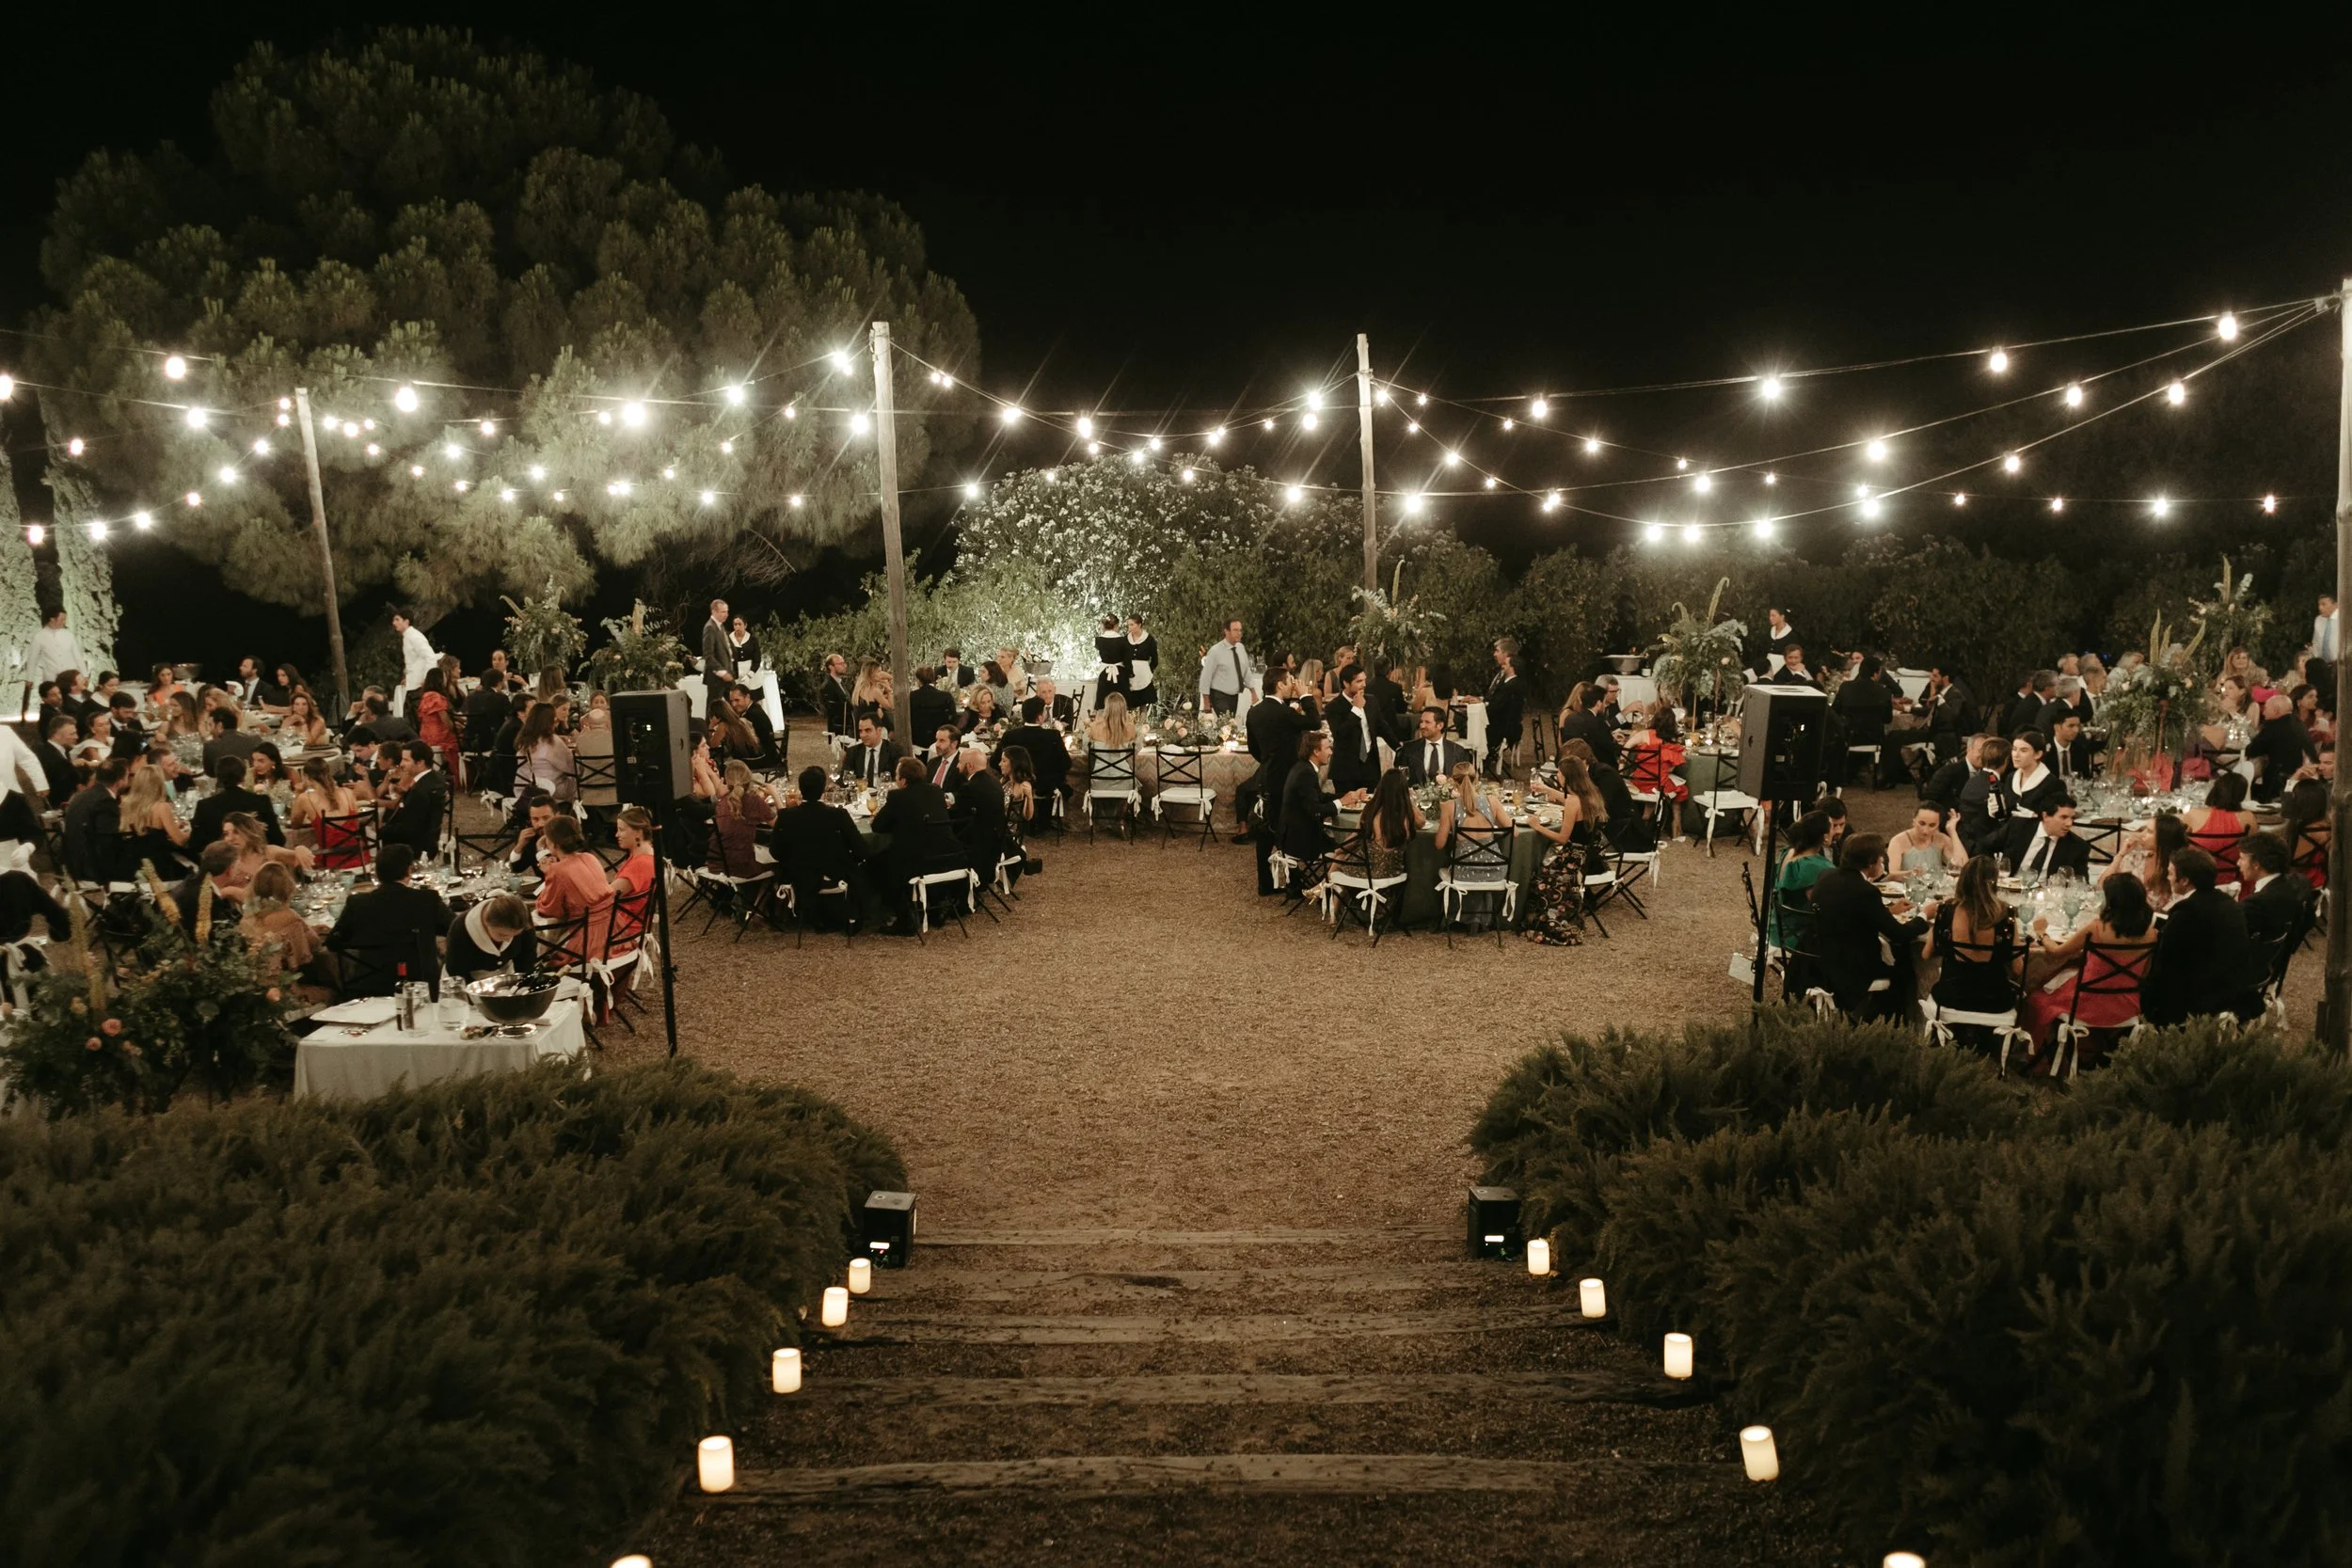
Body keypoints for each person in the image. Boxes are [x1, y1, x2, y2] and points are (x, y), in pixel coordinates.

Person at [2020, 872, 2161, 1060]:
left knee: (2036, 997)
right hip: (2127, 1006)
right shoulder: (2153, 934)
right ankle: (2089, 1048)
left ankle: (2040, 1055)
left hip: (2087, 1004)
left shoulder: (2097, 929)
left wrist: (2041, 934)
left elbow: (2056, 953)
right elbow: (2144, 974)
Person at [1810, 833, 1932, 1018]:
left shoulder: (1827, 876)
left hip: (1820, 956)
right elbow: (1899, 933)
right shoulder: (1866, 891)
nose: (1882, 862)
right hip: (1851, 967)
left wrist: (1887, 913)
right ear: (1870, 863)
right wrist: (1925, 915)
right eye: (1880, 858)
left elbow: (1848, 911)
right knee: (1905, 967)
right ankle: (1890, 1023)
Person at [2142, 847, 2256, 1025]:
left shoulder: (2187, 910)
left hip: (2203, 994)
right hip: (2233, 985)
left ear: (2185, 880)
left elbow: (2165, 959)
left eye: (2171, 873)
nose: (2168, 877)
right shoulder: (2226, 900)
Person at [326, 842, 451, 996]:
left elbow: (333, 943)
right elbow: (454, 928)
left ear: (376, 873)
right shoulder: (427, 900)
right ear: (409, 870)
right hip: (420, 987)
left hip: (367, 989)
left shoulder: (358, 904)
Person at [1923, 854, 2022, 1024]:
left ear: (1962, 880)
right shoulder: (2006, 915)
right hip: (1995, 999)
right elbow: (2018, 969)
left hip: (1952, 995)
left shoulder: (1946, 911)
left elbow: (1926, 955)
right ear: (1995, 882)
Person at [1521, 753, 1608, 945]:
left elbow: (1562, 838)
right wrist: (1547, 789)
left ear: (1567, 777)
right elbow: (1569, 799)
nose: (1558, 776)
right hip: (1585, 857)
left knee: (1538, 873)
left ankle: (1546, 923)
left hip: (1570, 859)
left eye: (1559, 773)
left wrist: (1537, 826)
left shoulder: (1572, 803)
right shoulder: (1591, 794)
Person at [769, 766, 871, 929]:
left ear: (800, 790)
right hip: (835, 873)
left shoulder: (787, 816)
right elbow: (862, 849)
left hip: (799, 874)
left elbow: (775, 851)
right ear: (823, 789)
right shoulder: (838, 815)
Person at [872, 755, 962, 935]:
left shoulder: (897, 796)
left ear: (903, 781)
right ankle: (935, 909)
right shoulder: (936, 791)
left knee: (876, 863)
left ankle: (904, 918)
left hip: (918, 862)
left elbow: (878, 826)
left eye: (897, 777)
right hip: (947, 857)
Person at [534, 815, 616, 958]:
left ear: (554, 844)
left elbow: (548, 910)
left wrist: (548, 873)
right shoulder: (589, 857)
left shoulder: (557, 870)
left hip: (587, 941)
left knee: (532, 929)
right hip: (613, 931)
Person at [1237, 678, 1307, 844]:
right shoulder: (1286, 712)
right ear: (1280, 685)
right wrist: (1305, 696)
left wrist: (1266, 760)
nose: (1293, 683)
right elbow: (1314, 722)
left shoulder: (1255, 711)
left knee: (1270, 818)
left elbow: (1252, 747)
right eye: (1290, 680)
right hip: (1286, 773)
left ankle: (1268, 844)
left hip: (1268, 771)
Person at [1278, 731, 1338, 898]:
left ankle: (1324, 885)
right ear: (1316, 751)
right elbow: (1316, 810)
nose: (1331, 752)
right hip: (1300, 841)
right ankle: (1325, 888)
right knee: (1345, 850)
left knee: (1343, 845)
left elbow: (1317, 797)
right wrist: (1341, 803)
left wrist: (1347, 796)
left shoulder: (1303, 768)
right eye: (1327, 748)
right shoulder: (1305, 773)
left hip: (1293, 834)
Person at [1994, 730, 2067, 864]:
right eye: (2014, 749)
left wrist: (2035, 816)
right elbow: (2008, 815)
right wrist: (1997, 810)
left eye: (2024, 750)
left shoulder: (2052, 784)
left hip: (2034, 847)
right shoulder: (2010, 778)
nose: (2016, 755)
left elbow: (2059, 818)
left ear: (2038, 754)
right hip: (2008, 843)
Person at [1767, 810, 1836, 952]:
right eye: (1832, 827)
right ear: (1825, 836)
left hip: (1777, 925)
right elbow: (1821, 907)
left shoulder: (1788, 852)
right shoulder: (1814, 865)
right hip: (1796, 936)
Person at [2237, 832, 2315, 953]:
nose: (2238, 863)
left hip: (2252, 965)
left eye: (2242, 858)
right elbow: (2310, 920)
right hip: (2276, 958)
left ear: (2256, 865)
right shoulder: (2300, 882)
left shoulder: (2253, 905)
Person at [191, 753, 285, 851]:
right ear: (243, 775)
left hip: (221, 863)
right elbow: (278, 840)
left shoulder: (204, 806)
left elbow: (195, 845)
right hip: (255, 860)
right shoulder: (261, 801)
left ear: (218, 778)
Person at [116, 763, 192, 879]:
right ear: (158, 784)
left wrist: (172, 825)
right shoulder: (162, 807)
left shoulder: (125, 804)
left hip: (133, 865)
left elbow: (143, 833)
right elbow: (180, 840)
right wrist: (190, 831)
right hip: (159, 867)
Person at [373, 740, 448, 858]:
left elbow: (409, 829)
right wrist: (405, 793)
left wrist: (380, 830)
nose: (401, 764)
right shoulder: (435, 777)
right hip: (430, 837)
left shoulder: (420, 791)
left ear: (420, 762)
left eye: (406, 760)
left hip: (414, 847)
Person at [994, 698, 1070, 813]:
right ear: (1040, 718)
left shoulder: (1010, 735)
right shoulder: (1053, 736)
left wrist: (1014, 776)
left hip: (1017, 785)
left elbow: (994, 762)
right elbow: (1066, 763)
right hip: (1045, 786)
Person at [2245, 692, 2319, 802]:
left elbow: (2251, 750)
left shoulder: (2273, 726)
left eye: (2265, 709)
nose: (2263, 713)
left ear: (2275, 710)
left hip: (2281, 781)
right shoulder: (2299, 723)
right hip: (2308, 775)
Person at [444, 894, 537, 982]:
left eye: (515, 935)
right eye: (502, 935)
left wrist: (521, 985)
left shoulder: (520, 918)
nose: (509, 939)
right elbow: (457, 972)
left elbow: (527, 959)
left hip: (508, 976)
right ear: (485, 922)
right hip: (471, 981)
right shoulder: (460, 928)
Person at [950, 746, 1011, 879]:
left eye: (960, 762)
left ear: (970, 766)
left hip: (976, 843)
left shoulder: (970, 787)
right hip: (997, 839)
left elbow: (957, 816)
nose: (957, 766)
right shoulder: (995, 783)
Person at [708, 760, 776, 878]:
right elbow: (780, 825)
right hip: (741, 867)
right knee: (781, 862)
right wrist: (775, 794)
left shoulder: (723, 802)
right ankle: (761, 895)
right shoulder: (754, 801)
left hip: (716, 863)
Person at [2183, 771, 2251, 886]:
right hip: (2235, 879)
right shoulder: (2248, 818)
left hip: (2196, 878)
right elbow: (2252, 849)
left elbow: (2178, 843)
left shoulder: (2193, 815)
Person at [2013, 796, 2090, 881]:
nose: (2069, 823)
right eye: (2063, 817)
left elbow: (2082, 883)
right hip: (2010, 885)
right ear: (2045, 816)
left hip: (2047, 891)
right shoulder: (2017, 828)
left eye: (2072, 818)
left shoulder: (2078, 846)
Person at [515, 701, 577, 800]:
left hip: (525, 789)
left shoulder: (523, 739)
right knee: (581, 781)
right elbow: (573, 769)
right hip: (550, 790)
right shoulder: (552, 741)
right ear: (550, 720)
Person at [1397, 705, 1472, 785]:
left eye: (1427, 722)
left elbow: (1465, 782)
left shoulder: (1457, 751)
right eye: (1421, 722)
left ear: (1440, 726)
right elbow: (1400, 780)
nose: (1422, 726)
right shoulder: (1408, 749)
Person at [1198, 617, 1259, 715]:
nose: (1239, 633)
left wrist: (1253, 692)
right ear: (1226, 632)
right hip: (1219, 695)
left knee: (1231, 724)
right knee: (1227, 726)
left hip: (1234, 696)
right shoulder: (1215, 651)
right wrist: (1206, 703)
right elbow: (1206, 677)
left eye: (1240, 630)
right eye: (1235, 630)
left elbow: (1246, 671)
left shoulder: (1240, 648)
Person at [1556, 682, 1621, 773]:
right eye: (1605, 701)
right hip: (1593, 768)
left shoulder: (1570, 718)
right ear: (1598, 703)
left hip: (1570, 763)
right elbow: (1609, 747)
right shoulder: (1597, 722)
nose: (1606, 705)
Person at [1483, 639, 1525, 777]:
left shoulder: (1511, 685)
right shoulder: (1510, 682)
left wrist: (1483, 707)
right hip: (1502, 723)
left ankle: (1480, 758)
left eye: (1497, 651)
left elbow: (1497, 706)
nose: (1503, 667)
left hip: (1501, 728)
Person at [1887, 802, 1967, 872]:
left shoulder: (1941, 839)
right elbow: (1892, 874)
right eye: (1922, 824)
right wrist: (1913, 874)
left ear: (1938, 825)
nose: (1925, 831)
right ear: (1914, 820)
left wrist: (1952, 832)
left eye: (1932, 825)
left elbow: (1962, 865)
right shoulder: (1898, 841)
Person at [2282, 777, 2330, 889]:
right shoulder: (2328, 825)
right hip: (2323, 879)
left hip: (2305, 883)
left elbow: (2296, 865)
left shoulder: (2308, 831)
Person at [414, 666, 462, 779]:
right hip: (439, 736)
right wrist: (459, 727)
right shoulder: (437, 698)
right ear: (440, 680)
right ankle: (460, 776)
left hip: (425, 735)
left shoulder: (425, 696)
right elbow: (447, 723)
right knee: (463, 739)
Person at [843, 714, 904, 791]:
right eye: (860, 731)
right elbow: (844, 779)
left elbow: (901, 779)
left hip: (885, 795)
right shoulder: (853, 751)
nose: (863, 735)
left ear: (879, 731)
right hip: (860, 795)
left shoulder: (894, 750)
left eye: (868, 730)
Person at [725, 683, 777, 768]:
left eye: (737, 700)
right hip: (765, 754)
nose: (733, 705)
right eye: (731, 701)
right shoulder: (753, 709)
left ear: (747, 697)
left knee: (728, 765)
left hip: (764, 758)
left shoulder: (752, 714)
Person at [201, 705, 263, 775]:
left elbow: (210, 773)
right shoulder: (255, 740)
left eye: (210, 725)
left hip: (224, 785)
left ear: (219, 726)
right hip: (252, 783)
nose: (209, 730)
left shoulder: (210, 746)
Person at [907, 666, 958, 749]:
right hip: (941, 740)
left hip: (917, 739)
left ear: (918, 680)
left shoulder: (912, 696)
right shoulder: (946, 696)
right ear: (933, 678)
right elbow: (953, 719)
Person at [36, 711, 79, 805]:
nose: (76, 737)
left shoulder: (58, 751)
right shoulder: (50, 756)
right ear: (56, 735)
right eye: (72, 734)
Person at [699, 597, 734, 712]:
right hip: (716, 677)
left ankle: (736, 728)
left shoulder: (720, 626)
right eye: (723, 612)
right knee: (713, 707)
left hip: (726, 675)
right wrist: (722, 672)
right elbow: (708, 655)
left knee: (733, 704)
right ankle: (708, 728)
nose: (726, 614)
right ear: (714, 612)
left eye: (727, 611)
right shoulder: (710, 627)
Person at [2003, 670, 2058, 738]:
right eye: (2057, 685)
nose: (2059, 688)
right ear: (2048, 689)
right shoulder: (2033, 707)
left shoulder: (2033, 700)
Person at [1122, 614, 1159, 712]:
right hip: (1129, 674)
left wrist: (1149, 671)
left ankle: (1143, 725)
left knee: (1143, 701)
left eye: (1132, 625)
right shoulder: (1125, 639)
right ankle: (1131, 724)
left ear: (1139, 625)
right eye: (1128, 625)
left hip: (1143, 674)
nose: (1129, 627)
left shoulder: (1149, 639)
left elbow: (1155, 659)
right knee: (1130, 702)